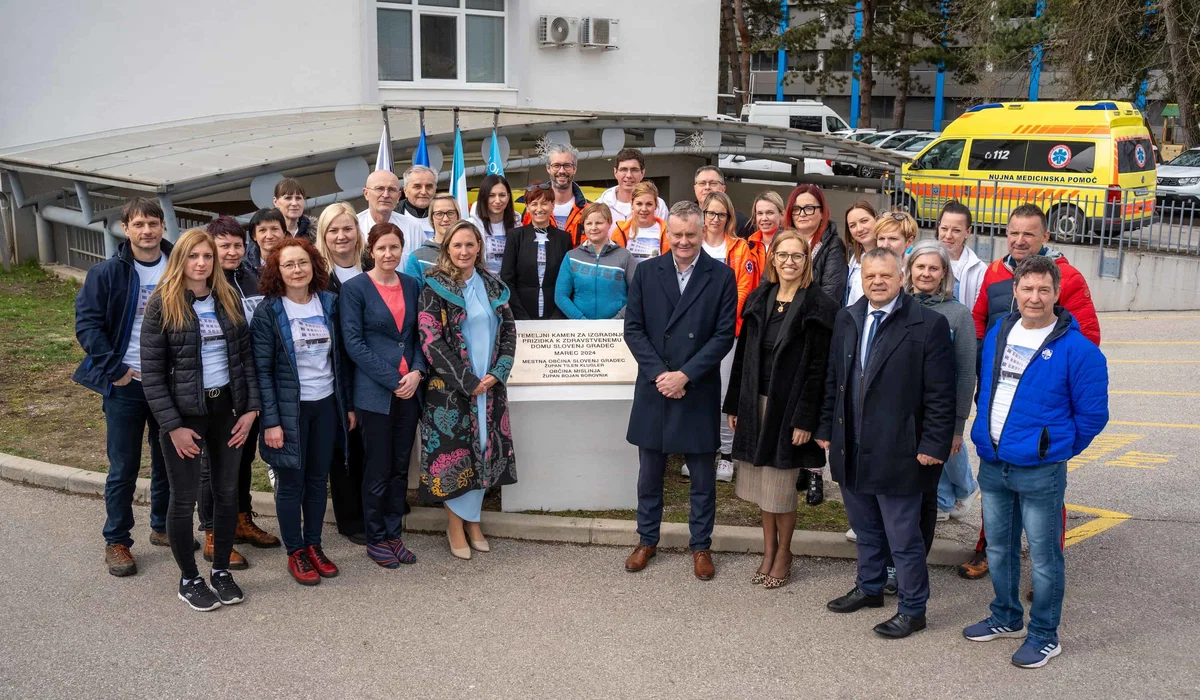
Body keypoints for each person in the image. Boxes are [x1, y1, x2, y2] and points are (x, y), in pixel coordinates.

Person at [963, 255, 1108, 669]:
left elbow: (1092, 416)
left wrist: (1052, 449)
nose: (1035, 297)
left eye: (1044, 289)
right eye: (1027, 288)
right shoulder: (998, 332)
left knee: (1044, 559)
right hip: (993, 462)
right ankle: (1005, 617)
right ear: (1016, 291)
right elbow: (989, 389)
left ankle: (1044, 635)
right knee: (1000, 549)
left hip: (1040, 470)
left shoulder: (1079, 350)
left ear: (1057, 293)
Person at [817, 247, 955, 639]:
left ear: (901, 277)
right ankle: (870, 586)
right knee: (865, 527)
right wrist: (827, 427)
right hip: (851, 443)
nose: (877, 282)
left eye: (886, 276)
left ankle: (913, 609)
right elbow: (834, 378)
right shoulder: (848, 318)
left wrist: (933, 444)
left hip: (902, 449)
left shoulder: (927, 324)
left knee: (903, 536)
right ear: (861, 279)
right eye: (870, 276)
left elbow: (941, 395)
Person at [960, 203, 1101, 580]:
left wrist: (1062, 429)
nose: (1020, 240)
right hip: (996, 390)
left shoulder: (1067, 277)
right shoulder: (994, 272)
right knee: (996, 478)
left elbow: (1087, 336)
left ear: (1045, 237)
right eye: (1014, 233)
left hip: (1042, 401)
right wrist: (979, 374)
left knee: (1046, 490)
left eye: (1029, 234)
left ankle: (1048, 568)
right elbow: (978, 319)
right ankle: (987, 547)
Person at [140, 228, 260, 611]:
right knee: (184, 498)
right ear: (180, 260)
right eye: (193, 256)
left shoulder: (227, 298)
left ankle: (221, 570)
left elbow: (246, 360)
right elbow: (153, 374)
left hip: (228, 410)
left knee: (226, 495)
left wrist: (251, 409)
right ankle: (189, 577)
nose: (201, 263)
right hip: (185, 416)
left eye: (207, 256)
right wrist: (172, 426)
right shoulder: (163, 303)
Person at [622, 202, 738, 581]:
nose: (684, 241)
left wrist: (685, 375)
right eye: (677, 234)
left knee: (702, 478)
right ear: (666, 233)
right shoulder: (646, 272)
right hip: (655, 386)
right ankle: (646, 539)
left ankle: (701, 545)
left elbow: (723, 335)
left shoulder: (721, 276)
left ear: (703, 233)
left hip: (697, 386)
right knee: (649, 474)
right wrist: (661, 375)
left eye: (691, 234)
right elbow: (633, 329)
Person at [723, 230, 837, 588]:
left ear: (808, 262)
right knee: (762, 489)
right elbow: (743, 357)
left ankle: (784, 552)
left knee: (781, 489)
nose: (789, 262)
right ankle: (767, 551)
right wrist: (734, 403)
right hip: (756, 404)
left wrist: (806, 417)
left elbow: (820, 370)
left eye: (797, 256)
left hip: (789, 410)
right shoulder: (760, 297)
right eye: (783, 255)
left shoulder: (819, 305)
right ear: (773, 259)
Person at [73, 198, 174, 577]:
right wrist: (116, 370)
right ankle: (117, 540)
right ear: (124, 229)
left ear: (163, 226)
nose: (146, 230)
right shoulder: (107, 273)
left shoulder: (179, 266)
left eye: (153, 223)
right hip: (127, 385)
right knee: (124, 466)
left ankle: (162, 526)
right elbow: (87, 325)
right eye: (138, 224)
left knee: (167, 460)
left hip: (169, 383)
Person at [251, 237, 354, 586]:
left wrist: (347, 407)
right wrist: (271, 422)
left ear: (314, 266)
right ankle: (295, 551)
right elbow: (261, 371)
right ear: (277, 271)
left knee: (316, 481)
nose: (297, 270)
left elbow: (341, 361)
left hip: (325, 405)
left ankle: (314, 545)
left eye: (303, 263)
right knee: (290, 484)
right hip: (288, 411)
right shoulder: (269, 311)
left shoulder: (330, 303)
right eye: (289, 265)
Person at [417, 221, 517, 560]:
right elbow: (431, 340)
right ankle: (456, 525)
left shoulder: (494, 287)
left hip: (489, 386)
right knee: (455, 454)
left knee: (485, 448)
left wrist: (498, 372)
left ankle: (473, 520)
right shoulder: (435, 287)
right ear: (447, 249)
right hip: (451, 390)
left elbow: (509, 334)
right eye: (456, 246)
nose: (463, 251)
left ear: (479, 247)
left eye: (469, 245)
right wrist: (467, 381)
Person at [340, 223, 426, 568]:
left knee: (399, 468)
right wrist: (395, 379)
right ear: (370, 251)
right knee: (377, 467)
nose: (389, 254)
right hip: (376, 393)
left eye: (394, 248)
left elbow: (420, 334)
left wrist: (417, 372)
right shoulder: (355, 289)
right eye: (382, 248)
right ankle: (375, 537)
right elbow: (354, 345)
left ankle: (394, 534)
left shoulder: (412, 284)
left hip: (411, 390)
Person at [199, 217, 278, 560]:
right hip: (215, 388)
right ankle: (214, 531)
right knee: (212, 464)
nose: (232, 252)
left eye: (237, 245)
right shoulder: (203, 285)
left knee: (243, 457)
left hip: (250, 384)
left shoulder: (252, 279)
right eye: (224, 246)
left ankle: (242, 519)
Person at [904, 240, 978, 522]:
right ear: (910, 270)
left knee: (931, 470)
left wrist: (957, 427)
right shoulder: (899, 305)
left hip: (939, 411)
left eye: (933, 268)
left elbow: (965, 372)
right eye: (920, 266)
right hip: (904, 410)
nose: (926, 273)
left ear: (944, 272)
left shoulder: (958, 314)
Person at [315, 202, 369, 544]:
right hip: (334, 370)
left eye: (347, 228)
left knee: (368, 443)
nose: (341, 236)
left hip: (370, 368)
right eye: (333, 230)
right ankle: (350, 518)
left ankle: (371, 506)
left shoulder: (373, 267)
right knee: (343, 447)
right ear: (323, 235)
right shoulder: (318, 276)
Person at [699, 191, 763, 483]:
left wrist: (721, 322)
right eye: (710, 213)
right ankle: (702, 450)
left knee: (724, 394)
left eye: (720, 214)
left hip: (726, 333)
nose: (714, 219)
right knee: (698, 394)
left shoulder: (739, 248)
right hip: (693, 332)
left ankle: (726, 454)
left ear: (728, 218)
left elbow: (743, 290)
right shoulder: (691, 244)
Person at [500, 183, 573, 320]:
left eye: (544, 203)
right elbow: (507, 279)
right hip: (521, 314)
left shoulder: (564, 238)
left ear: (552, 205)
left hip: (555, 315)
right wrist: (521, 316)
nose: (539, 209)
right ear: (527, 207)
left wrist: (557, 316)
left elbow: (568, 281)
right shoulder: (515, 236)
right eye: (534, 204)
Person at [554, 202, 638, 320]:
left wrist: (619, 319)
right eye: (589, 223)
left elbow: (637, 294)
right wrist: (581, 320)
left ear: (609, 223)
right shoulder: (571, 257)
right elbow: (560, 296)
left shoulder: (624, 256)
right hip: (581, 330)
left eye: (599, 223)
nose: (593, 228)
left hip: (618, 329)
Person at [786, 184, 848, 305]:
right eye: (796, 209)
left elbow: (830, 293)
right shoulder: (781, 242)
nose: (801, 214)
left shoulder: (833, 245)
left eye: (809, 208)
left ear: (822, 213)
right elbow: (768, 281)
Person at [359, 169, 425, 272]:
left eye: (391, 190)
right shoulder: (354, 227)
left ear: (398, 196)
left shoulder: (413, 228)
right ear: (366, 193)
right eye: (379, 189)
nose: (385, 195)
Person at [521, 143, 589, 242]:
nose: (561, 171)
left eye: (567, 165)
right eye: (556, 165)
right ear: (548, 168)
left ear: (574, 169)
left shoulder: (587, 211)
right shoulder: (531, 211)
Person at [936, 201, 986, 312]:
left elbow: (978, 314)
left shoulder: (979, 270)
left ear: (968, 232)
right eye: (944, 228)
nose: (948, 236)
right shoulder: (921, 259)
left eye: (956, 230)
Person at [596, 148, 669, 224]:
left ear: (642, 172)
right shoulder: (600, 205)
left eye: (634, 170)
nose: (629, 175)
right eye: (623, 169)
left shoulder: (659, 206)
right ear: (615, 172)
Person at [406, 193, 460, 287]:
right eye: (439, 214)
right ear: (431, 218)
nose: (445, 219)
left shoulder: (468, 253)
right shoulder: (418, 258)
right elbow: (412, 295)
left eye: (450, 213)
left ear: (458, 216)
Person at [469, 173, 517, 274]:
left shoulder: (518, 225)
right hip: (481, 284)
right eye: (491, 195)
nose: (497, 201)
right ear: (483, 197)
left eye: (502, 195)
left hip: (509, 286)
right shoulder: (470, 226)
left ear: (508, 197)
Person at [612, 181, 669, 261]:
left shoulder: (668, 231)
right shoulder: (619, 232)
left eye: (649, 204)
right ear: (632, 204)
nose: (644, 209)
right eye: (639, 204)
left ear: (656, 205)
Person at [693, 165, 754, 238]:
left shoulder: (741, 223)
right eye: (702, 183)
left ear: (723, 189)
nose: (707, 187)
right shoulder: (684, 217)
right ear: (695, 188)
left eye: (713, 183)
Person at [843, 201, 879, 306]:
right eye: (852, 225)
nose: (859, 229)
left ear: (876, 219)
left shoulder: (890, 256)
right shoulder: (853, 258)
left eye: (864, 221)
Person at [397, 164, 438, 241]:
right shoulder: (391, 217)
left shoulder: (446, 217)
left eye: (429, 187)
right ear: (405, 190)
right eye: (417, 186)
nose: (423, 192)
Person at [748, 191, 786, 258]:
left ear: (782, 215)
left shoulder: (791, 244)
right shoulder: (749, 245)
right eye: (760, 213)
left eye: (770, 213)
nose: (764, 218)